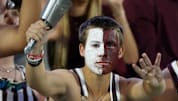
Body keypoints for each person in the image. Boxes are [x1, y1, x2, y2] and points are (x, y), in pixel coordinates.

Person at [25, 16, 166, 101]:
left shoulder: (124, 88)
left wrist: (156, 84)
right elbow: (38, 82)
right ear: (82, 50)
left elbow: (148, 90)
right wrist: (35, 51)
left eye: (110, 45)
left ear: (120, 51)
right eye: (95, 45)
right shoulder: (69, 81)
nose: (102, 52)